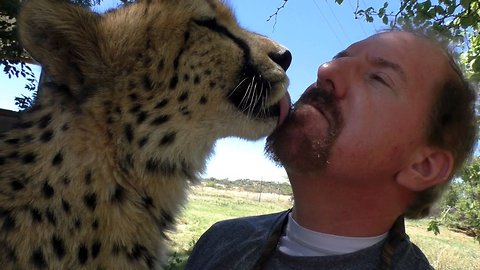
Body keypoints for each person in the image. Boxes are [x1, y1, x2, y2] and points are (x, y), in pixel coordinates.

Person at [184, 29, 477, 270]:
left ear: (422, 166)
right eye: (339, 59)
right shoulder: (220, 240)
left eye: (378, 78)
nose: (326, 69)